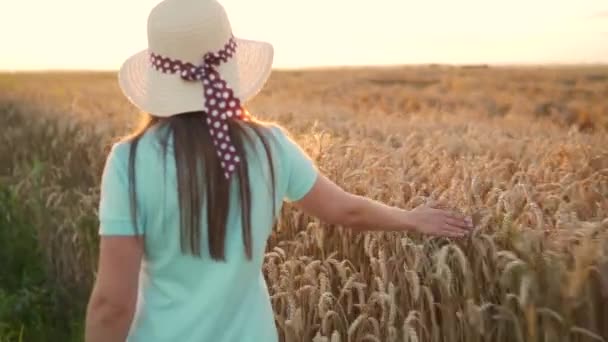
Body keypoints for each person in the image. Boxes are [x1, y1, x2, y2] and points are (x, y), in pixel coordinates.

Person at [84, 0, 473, 341]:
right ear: (229, 65)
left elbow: (112, 304)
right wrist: (410, 219)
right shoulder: (270, 146)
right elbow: (344, 210)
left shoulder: (129, 162)